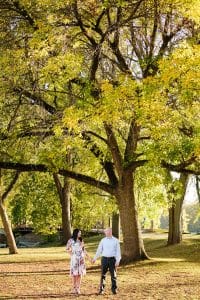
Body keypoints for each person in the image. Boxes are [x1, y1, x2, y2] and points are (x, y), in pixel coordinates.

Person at [92, 227, 121, 295]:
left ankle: (114, 290)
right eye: (105, 232)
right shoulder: (103, 240)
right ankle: (101, 290)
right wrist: (94, 258)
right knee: (103, 275)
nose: (106, 233)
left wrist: (118, 261)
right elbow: (99, 250)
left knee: (113, 275)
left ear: (111, 232)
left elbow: (118, 252)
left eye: (108, 231)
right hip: (104, 259)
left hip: (112, 260)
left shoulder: (116, 240)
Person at [66, 228, 89, 295]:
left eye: (80, 233)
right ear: (76, 233)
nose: (80, 234)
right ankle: (74, 288)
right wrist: (71, 253)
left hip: (81, 259)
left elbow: (84, 250)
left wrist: (89, 257)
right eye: (79, 233)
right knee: (74, 274)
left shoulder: (81, 240)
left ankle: (78, 288)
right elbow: (67, 248)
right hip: (74, 259)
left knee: (80, 274)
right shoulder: (70, 240)